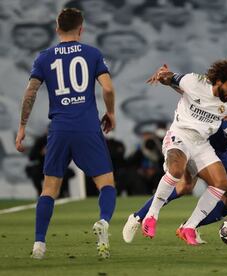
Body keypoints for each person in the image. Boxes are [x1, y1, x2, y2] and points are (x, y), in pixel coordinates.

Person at [125, 60, 227, 246]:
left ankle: (189, 226)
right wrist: (164, 77)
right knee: (183, 184)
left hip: (216, 149)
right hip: (190, 137)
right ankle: (141, 217)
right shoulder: (215, 86)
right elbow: (190, 90)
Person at [15, 8, 117, 259]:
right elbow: (108, 89)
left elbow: (30, 93)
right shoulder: (92, 53)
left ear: (57, 29)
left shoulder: (44, 57)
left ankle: (39, 244)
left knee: (49, 188)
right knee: (106, 184)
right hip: (87, 127)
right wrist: (111, 113)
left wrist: (22, 127)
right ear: (81, 29)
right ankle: (103, 222)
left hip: (59, 129)